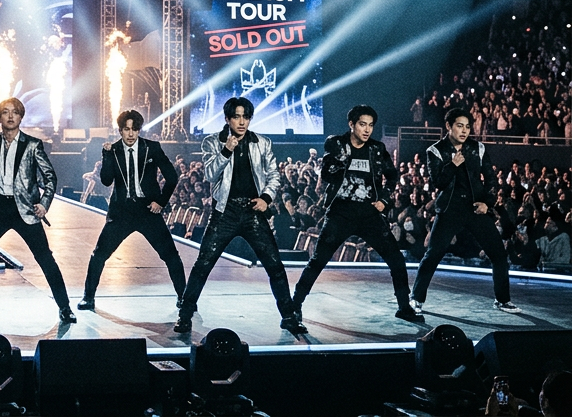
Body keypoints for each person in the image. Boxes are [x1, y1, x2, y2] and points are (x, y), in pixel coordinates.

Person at [175, 97, 306, 335]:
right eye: (237, 116)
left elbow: (273, 175)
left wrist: (266, 198)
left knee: (275, 266)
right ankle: (184, 315)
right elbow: (210, 174)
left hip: (253, 212)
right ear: (227, 118)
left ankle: (288, 316)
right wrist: (227, 149)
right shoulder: (212, 142)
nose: (242, 121)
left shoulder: (262, 143)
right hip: (225, 212)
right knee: (203, 264)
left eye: (246, 116)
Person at [291, 106, 422, 323]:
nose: (367, 129)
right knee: (318, 261)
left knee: (396, 260)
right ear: (352, 124)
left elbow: (392, 177)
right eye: (363, 124)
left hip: (369, 214)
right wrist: (341, 159)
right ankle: (294, 306)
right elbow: (326, 174)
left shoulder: (377, 149)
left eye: (371, 125)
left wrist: (384, 201)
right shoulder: (336, 144)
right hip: (341, 213)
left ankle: (404, 306)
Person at [0, 97, 77, 327]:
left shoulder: (33, 145)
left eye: (15, 112)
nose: (10, 116)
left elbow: (50, 177)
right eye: (5, 112)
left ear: (21, 117)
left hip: (26, 209)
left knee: (45, 258)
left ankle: (65, 308)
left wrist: (44, 203)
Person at [411, 108, 520, 313]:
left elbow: (491, 180)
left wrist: (486, 203)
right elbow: (438, 183)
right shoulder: (435, 150)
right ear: (449, 126)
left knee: (498, 254)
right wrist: (452, 164)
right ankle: (416, 298)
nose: (464, 130)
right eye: (459, 126)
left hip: (475, 208)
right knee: (433, 254)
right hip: (450, 210)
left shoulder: (477, 148)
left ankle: (503, 300)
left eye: (467, 126)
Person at [78, 109, 186, 312]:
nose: (130, 134)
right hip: (121, 213)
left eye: (134, 129)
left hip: (148, 211)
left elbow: (172, 177)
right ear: (120, 130)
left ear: (139, 130)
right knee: (99, 254)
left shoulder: (152, 148)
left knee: (170, 255)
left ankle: (184, 298)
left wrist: (161, 202)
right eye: (126, 129)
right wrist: (106, 156)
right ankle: (88, 298)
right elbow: (106, 180)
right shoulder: (113, 150)